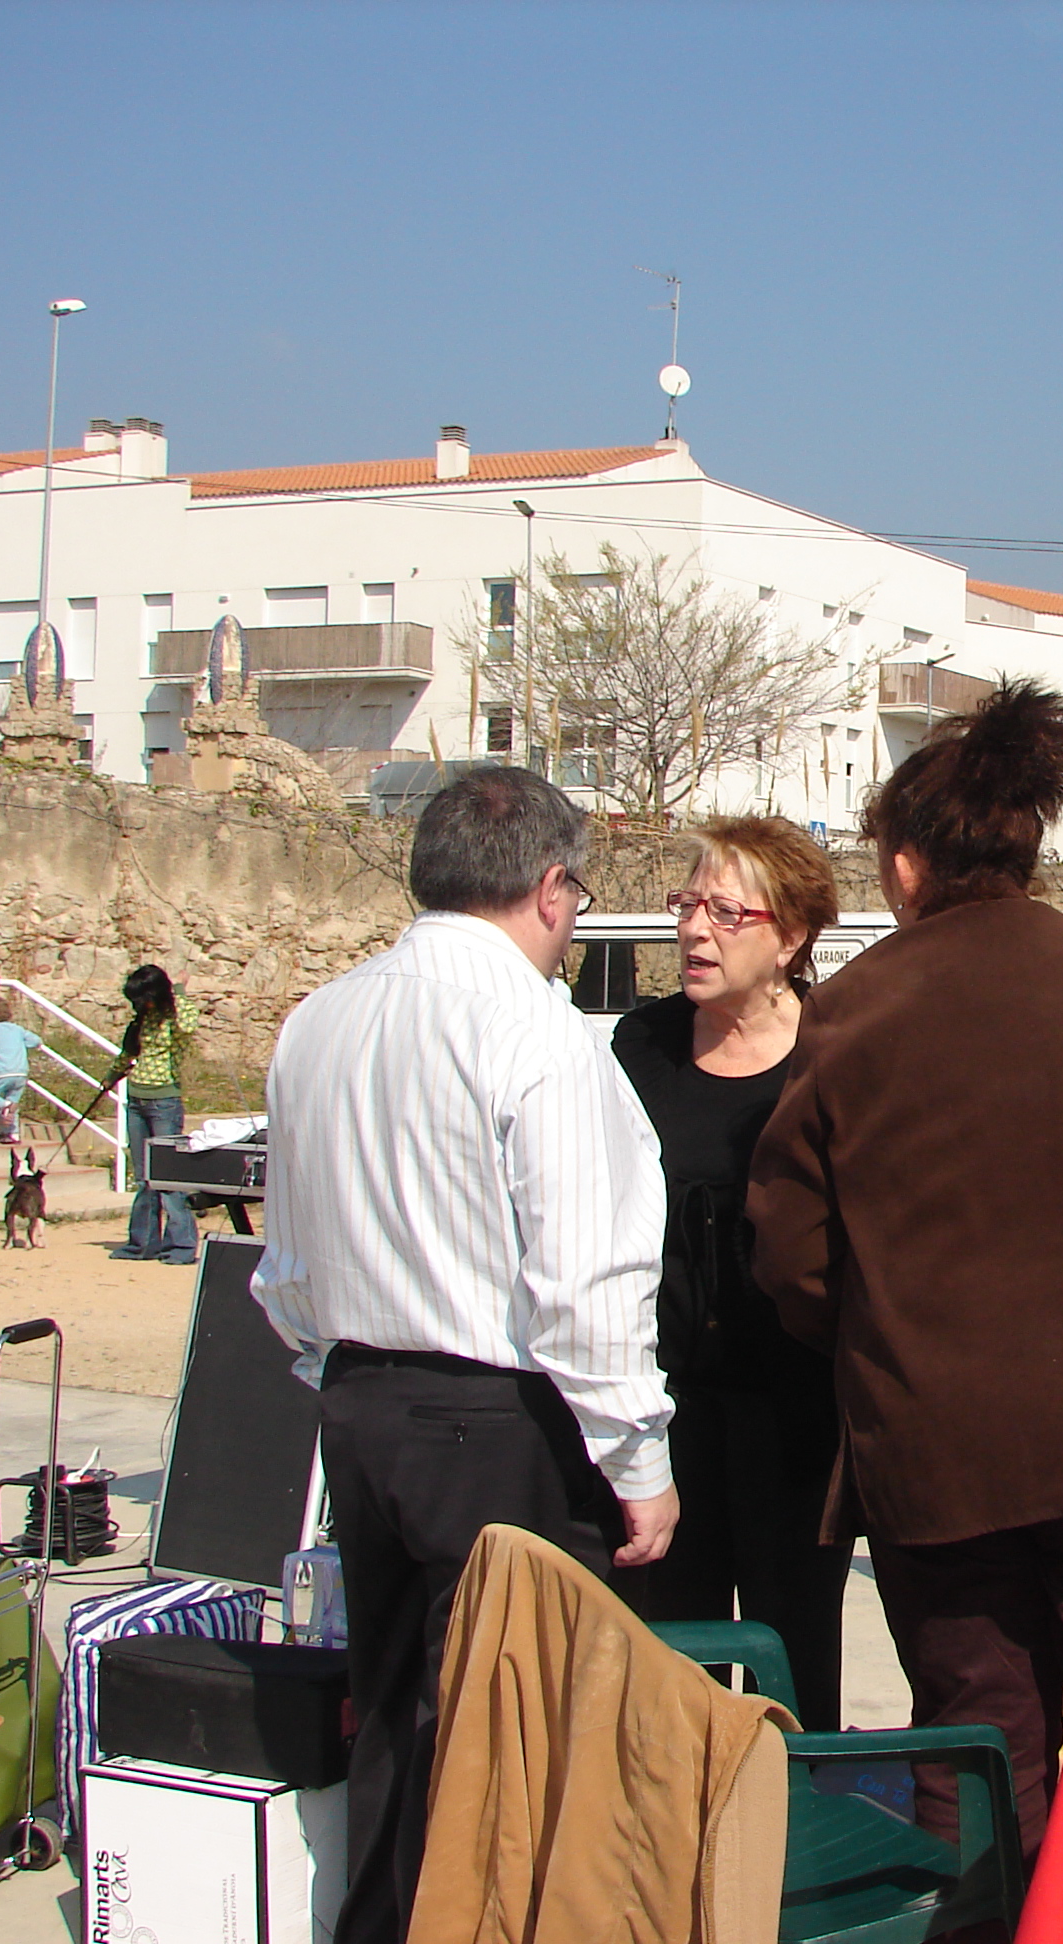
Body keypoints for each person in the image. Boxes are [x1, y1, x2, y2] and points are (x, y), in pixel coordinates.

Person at [748, 680, 1063, 1856]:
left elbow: (794, 1258)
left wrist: (906, 1330)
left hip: (941, 1455)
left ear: (910, 864)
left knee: (974, 1765)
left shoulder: (854, 1011)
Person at [252, 765, 676, 1944]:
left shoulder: (319, 1019)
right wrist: (638, 1459)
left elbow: (284, 1259)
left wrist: (332, 1376)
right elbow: (586, 1280)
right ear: (552, 890)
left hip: (363, 1401)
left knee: (395, 1715)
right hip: (496, 1421)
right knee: (515, 1749)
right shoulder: (538, 1032)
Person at [609, 815, 853, 1732]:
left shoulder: (835, 1051)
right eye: (687, 904)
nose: (693, 930)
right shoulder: (645, 1045)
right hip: (672, 1412)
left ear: (790, 936)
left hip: (798, 1415)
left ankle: (799, 1846)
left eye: (725, 911)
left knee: (797, 1658)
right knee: (673, 1669)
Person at [107, 965, 200, 1264]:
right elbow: (130, 1051)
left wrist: (180, 989)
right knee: (145, 1177)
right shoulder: (143, 1018)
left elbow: (189, 1025)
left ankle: (181, 1247)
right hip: (137, 1099)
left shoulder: (174, 1018)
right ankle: (142, 1244)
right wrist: (112, 1075)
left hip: (164, 1102)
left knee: (169, 1176)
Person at [0, 991, 42, 1144]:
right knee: (14, 1100)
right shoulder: (17, 1029)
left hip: (2, 1072)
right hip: (20, 1072)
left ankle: (5, 1106)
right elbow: (36, 1040)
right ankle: (13, 1134)